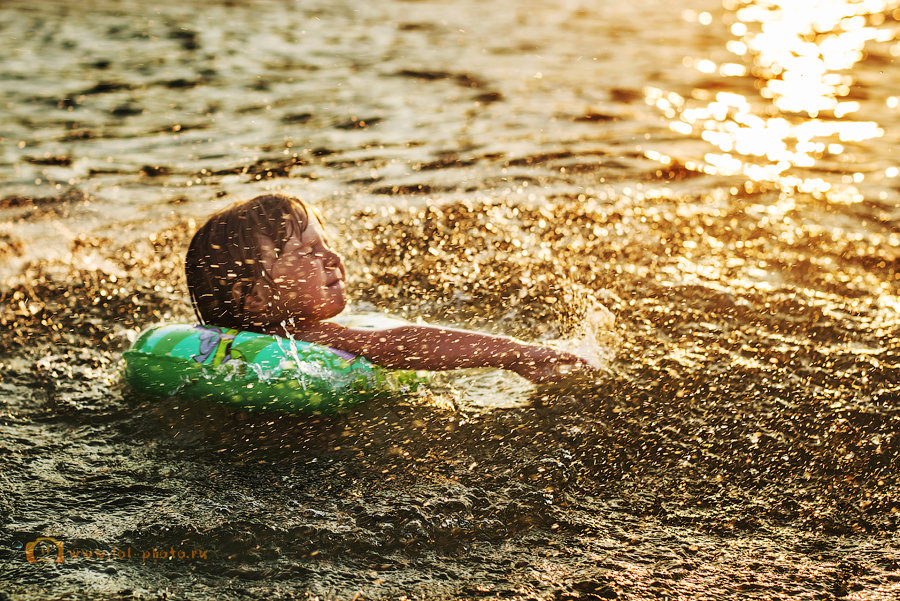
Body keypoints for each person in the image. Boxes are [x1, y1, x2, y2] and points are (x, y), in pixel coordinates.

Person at [185, 194, 595, 384]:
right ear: (253, 297)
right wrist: (515, 352)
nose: (332, 258)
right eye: (308, 251)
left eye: (326, 243)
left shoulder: (245, 339)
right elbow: (397, 345)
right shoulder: (301, 336)